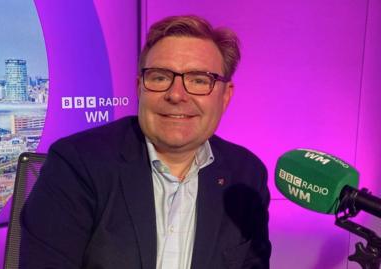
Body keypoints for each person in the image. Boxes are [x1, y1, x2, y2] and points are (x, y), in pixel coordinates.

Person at [20, 15, 271, 269]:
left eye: (198, 80)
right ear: (139, 88)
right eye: (160, 77)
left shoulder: (247, 176)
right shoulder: (76, 164)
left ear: (225, 96)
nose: (176, 94)